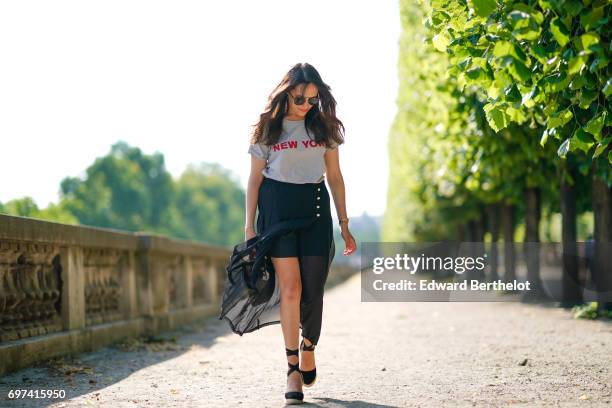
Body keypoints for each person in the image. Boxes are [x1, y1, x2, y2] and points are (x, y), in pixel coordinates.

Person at [245, 63, 356, 405]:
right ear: (286, 92)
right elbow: (255, 179)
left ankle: (310, 345)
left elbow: (335, 177)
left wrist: (345, 224)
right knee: (290, 289)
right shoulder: (268, 129)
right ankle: (292, 367)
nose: (306, 104)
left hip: (316, 210)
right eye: (299, 97)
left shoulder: (323, 128)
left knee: (313, 291)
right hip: (277, 211)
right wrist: (249, 225)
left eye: (313, 98)